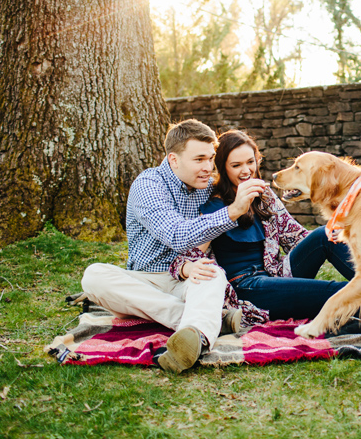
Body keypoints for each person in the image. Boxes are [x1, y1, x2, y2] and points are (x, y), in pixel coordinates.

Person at [169, 129, 361, 337]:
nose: (246, 171)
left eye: (251, 162)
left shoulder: (265, 196)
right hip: (247, 288)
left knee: (325, 236)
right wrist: (233, 208)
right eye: (236, 165)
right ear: (223, 167)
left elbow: (297, 237)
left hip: (276, 273)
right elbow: (187, 254)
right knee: (332, 291)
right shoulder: (211, 204)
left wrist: (353, 235)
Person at [80, 119, 267, 374]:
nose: (207, 167)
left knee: (213, 273)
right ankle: (209, 320)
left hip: (187, 280)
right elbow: (177, 234)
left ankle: (194, 338)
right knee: (94, 276)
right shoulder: (149, 186)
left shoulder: (207, 188)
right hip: (145, 281)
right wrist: (232, 212)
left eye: (211, 158)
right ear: (173, 159)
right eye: (199, 159)